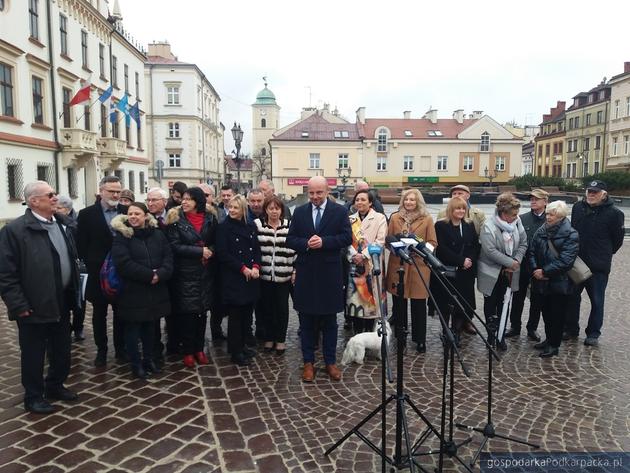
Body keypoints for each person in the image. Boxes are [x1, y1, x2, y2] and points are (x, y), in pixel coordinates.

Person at [0, 181, 80, 414]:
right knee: (34, 354)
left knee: (62, 349)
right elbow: (5, 273)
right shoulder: (15, 231)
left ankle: (55, 385)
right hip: (33, 304)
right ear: (34, 201)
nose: (55, 198)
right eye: (50, 195)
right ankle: (33, 396)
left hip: (62, 299)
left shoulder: (63, 224)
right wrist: (18, 304)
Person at [287, 176, 352, 382]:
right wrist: (306, 243)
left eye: (319, 193)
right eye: (311, 193)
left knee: (330, 322)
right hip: (306, 274)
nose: (315, 197)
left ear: (327, 191)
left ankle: (330, 362)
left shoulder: (339, 211)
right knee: (306, 321)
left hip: (329, 275)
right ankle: (308, 363)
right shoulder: (300, 212)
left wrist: (324, 242)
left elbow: (346, 238)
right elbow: (290, 239)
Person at [111, 203, 173, 377]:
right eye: (130, 214)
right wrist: (149, 275)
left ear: (146, 216)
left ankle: (149, 360)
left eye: (137, 213)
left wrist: (160, 274)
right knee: (133, 329)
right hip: (133, 291)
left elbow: (168, 258)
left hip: (155, 290)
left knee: (151, 328)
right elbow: (123, 263)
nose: (133, 217)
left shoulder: (158, 235)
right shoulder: (122, 236)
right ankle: (136, 364)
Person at [565, 180, 625, 346]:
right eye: (589, 191)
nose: (591, 195)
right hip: (576, 262)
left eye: (595, 192)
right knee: (571, 297)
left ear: (604, 194)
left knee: (597, 301)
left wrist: (603, 254)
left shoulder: (615, 213)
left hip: (598, 266)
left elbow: (617, 241)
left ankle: (593, 333)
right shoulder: (578, 208)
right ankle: (571, 328)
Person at [77, 175, 128, 367]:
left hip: (122, 271)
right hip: (97, 272)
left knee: (120, 313)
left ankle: (120, 349)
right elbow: (81, 244)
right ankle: (102, 350)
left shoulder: (126, 212)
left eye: (118, 191)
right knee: (99, 314)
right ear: (101, 191)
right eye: (111, 191)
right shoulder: (87, 214)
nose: (115, 195)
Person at [166, 187, 217, 367]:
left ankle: (199, 349)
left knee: (202, 313)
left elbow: (215, 241)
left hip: (205, 273)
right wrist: (199, 251)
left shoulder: (210, 217)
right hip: (185, 274)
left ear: (198, 202)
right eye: (183, 199)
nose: (184, 202)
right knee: (188, 314)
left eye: (189, 199)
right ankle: (188, 351)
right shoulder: (175, 219)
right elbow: (174, 246)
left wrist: (210, 251)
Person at [385, 188, 437, 353]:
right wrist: (397, 248)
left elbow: (432, 242)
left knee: (418, 304)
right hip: (398, 264)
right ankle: (401, 336)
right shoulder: (395, 217)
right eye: (406, 199)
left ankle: (419, 339)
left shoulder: (427, 219)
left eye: (412, 200)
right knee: (399, 304)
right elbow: (388, 241)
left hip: (418, 265)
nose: (408, 202)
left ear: (418, 202)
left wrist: (422, 249)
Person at [527, 201, 579, 358]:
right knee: (546, 312)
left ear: (561, 217)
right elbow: (531, 250)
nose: (548, 217)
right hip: (540, 279)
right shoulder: (542, 230)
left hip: (559, 282)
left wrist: (544, 272)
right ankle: (549, 339)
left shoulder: (571, 233)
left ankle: (554, 344)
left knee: (557, 314)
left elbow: (566, 261)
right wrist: (535, 269)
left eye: (552, 215)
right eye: (547, 214)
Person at [477, 193, 527, 351]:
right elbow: (490, 251)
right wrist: (510, 262)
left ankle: (500, 335)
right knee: (491, 305)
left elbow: (524, 243)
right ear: (503, 213)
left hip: (510, 272)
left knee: (505, 303)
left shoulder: (517, 222)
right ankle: (491, 335)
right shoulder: (489, 226)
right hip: (491, 273)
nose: (516, 217)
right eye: (513, 214)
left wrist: (516, 261)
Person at [217, 195, 262, 365]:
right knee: (235, 317)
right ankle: (235, 351)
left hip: (251, 277)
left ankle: (243, 345)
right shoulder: (224, 227)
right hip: (234, 277)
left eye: (236, 207)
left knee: (246, 315)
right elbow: (223, 254)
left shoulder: (250, 226)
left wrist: (256, 266)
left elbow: (256, 249)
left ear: (243, 208)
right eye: (231, 207)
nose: (232, 210)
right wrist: (242, 268)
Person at [434, 196, 479, 343]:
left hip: (465, 272)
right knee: (447, 303)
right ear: (451, 210)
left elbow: (474, 245)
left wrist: (469, 260)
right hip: (449, 271)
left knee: (463, 302)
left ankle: (457, 330)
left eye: (463, 208)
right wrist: (460, 261)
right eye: (457, 208)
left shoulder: (469, 225)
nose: (460, 211)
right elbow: (442, 249)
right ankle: (446, 331)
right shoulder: (441, 226)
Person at [505, 189, 548, 341]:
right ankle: (514, 326)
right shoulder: (522, 218)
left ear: (545, 201)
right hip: (522, 265)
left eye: (537, 199)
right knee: (517, 297)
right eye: (531, 199)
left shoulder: (549, 219)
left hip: (539, 267)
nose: (533, 201)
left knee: (537, 298)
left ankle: (532, 328)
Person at [254, 195, 295, 354]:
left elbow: (296, 251)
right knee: (267, 308)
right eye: (271, 208)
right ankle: (269, 338)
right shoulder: (258, 225)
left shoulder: (289, 226)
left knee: (282, 309)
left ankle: (281, 340)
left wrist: (295, 270)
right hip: (264, 275)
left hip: (283, 275)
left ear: (281, 210)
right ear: (266, 210)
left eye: (277, 208)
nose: (274, 212)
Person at [345, 189, 388, 333]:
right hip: (355, 264)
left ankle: (370, 334)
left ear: (370, 202)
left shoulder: (380, 218)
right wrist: (353, 255)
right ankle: (357, 334)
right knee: (356, 302)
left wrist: (363, 255)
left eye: (363, 200)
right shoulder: (350, 219)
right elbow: (346, 241)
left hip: (371, 263)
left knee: (371, 302)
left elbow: (380, 240)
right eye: (357, 200)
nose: (359, 202)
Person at [56, 195, 85, 342]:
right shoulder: (54, 223)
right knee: (64, 302)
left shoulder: (77, 224)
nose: (56, 210)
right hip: (62, 269)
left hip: (78, 268)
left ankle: (78, 327)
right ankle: (66, 327)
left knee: (79, 302)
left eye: (59, 208)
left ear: (67, 210)